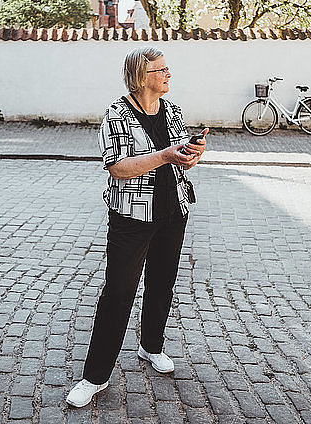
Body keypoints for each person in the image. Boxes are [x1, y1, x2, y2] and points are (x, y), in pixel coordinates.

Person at [66, 47, 207, 408]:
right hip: (131, 217)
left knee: (161, 284)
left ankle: (151, 347)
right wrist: (164, 155)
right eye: (161, 70)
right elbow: (117, 167)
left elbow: (181, 163)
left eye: (167, 68)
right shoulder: (116, 114)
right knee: (118, 294)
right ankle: (94, 378)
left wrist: (192, 154)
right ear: (141, 77)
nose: (168, 75)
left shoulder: (172, 110)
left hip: (173, 211)